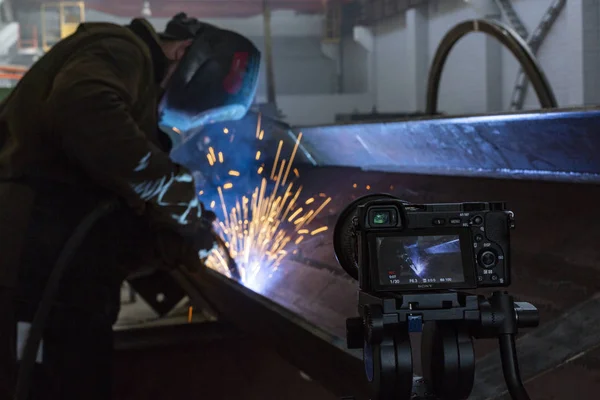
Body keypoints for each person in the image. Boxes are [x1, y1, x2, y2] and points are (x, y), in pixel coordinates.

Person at [0, 13, 260, 400]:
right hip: (33, 266)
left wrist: (168, 242)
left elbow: (108, 198)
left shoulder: (135, 89)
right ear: (184, 53)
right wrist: (176, 194)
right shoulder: (122, 50)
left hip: (69, 279)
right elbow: (82, 111)